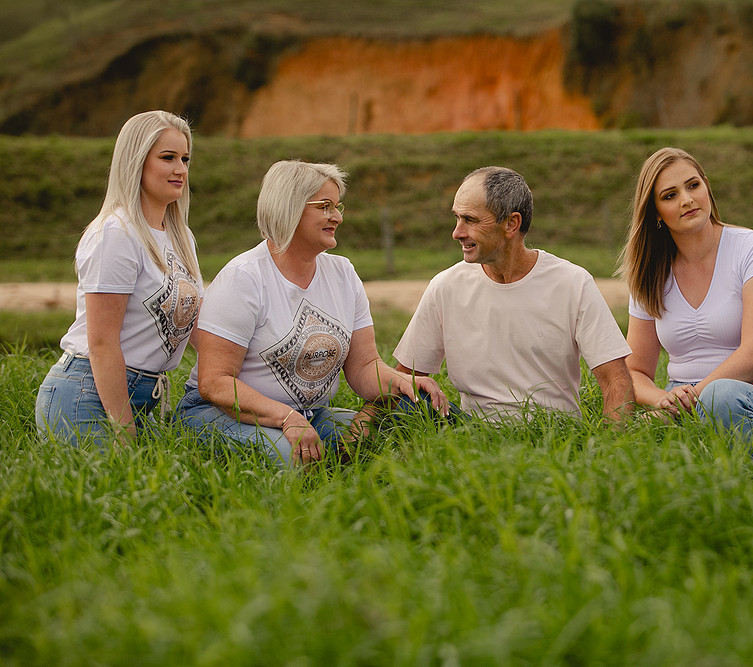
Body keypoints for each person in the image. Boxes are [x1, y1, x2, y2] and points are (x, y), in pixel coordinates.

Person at [175, 160, 446, 467]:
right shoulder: (243, 278)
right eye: (325, 206)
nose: (338, 217)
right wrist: (285, 417)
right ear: (289, 208)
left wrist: (400, 382)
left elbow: (364, 366)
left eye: (337, 205)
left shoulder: (343, 273)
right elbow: (215, 382)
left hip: (309, 414)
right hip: (216, 412)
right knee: (292, 456)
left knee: (395, 435)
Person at [392, 166, 634, 422]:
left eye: (470, 220)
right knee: (408, 403)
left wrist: (607, 448)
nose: (457, 232)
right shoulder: (446, 285)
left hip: (553, 435)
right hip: (470, 433)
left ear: (511, 223)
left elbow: (616, 380)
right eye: (457, 218)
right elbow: (402, 378)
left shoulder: (572, 283)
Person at [620, 147, 753, 456]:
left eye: (693, 185)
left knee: (722, 396)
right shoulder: (650, 273)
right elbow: (635, 371)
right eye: (670, 195)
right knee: (633, 444)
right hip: (682, 407)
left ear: (707, 186)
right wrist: (662, 402)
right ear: (655, 212)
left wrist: (691, 398)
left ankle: (752, 494)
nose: (687, 199)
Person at [35, 110, 203, 447]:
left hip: (147, 396)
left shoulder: (180, 235)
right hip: (88, 395)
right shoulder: (117, 232)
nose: (180, 169)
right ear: (136, 161)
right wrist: (124, 429)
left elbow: (196, 325)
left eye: (185, 158)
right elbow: (101, 343)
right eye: (167, 157)